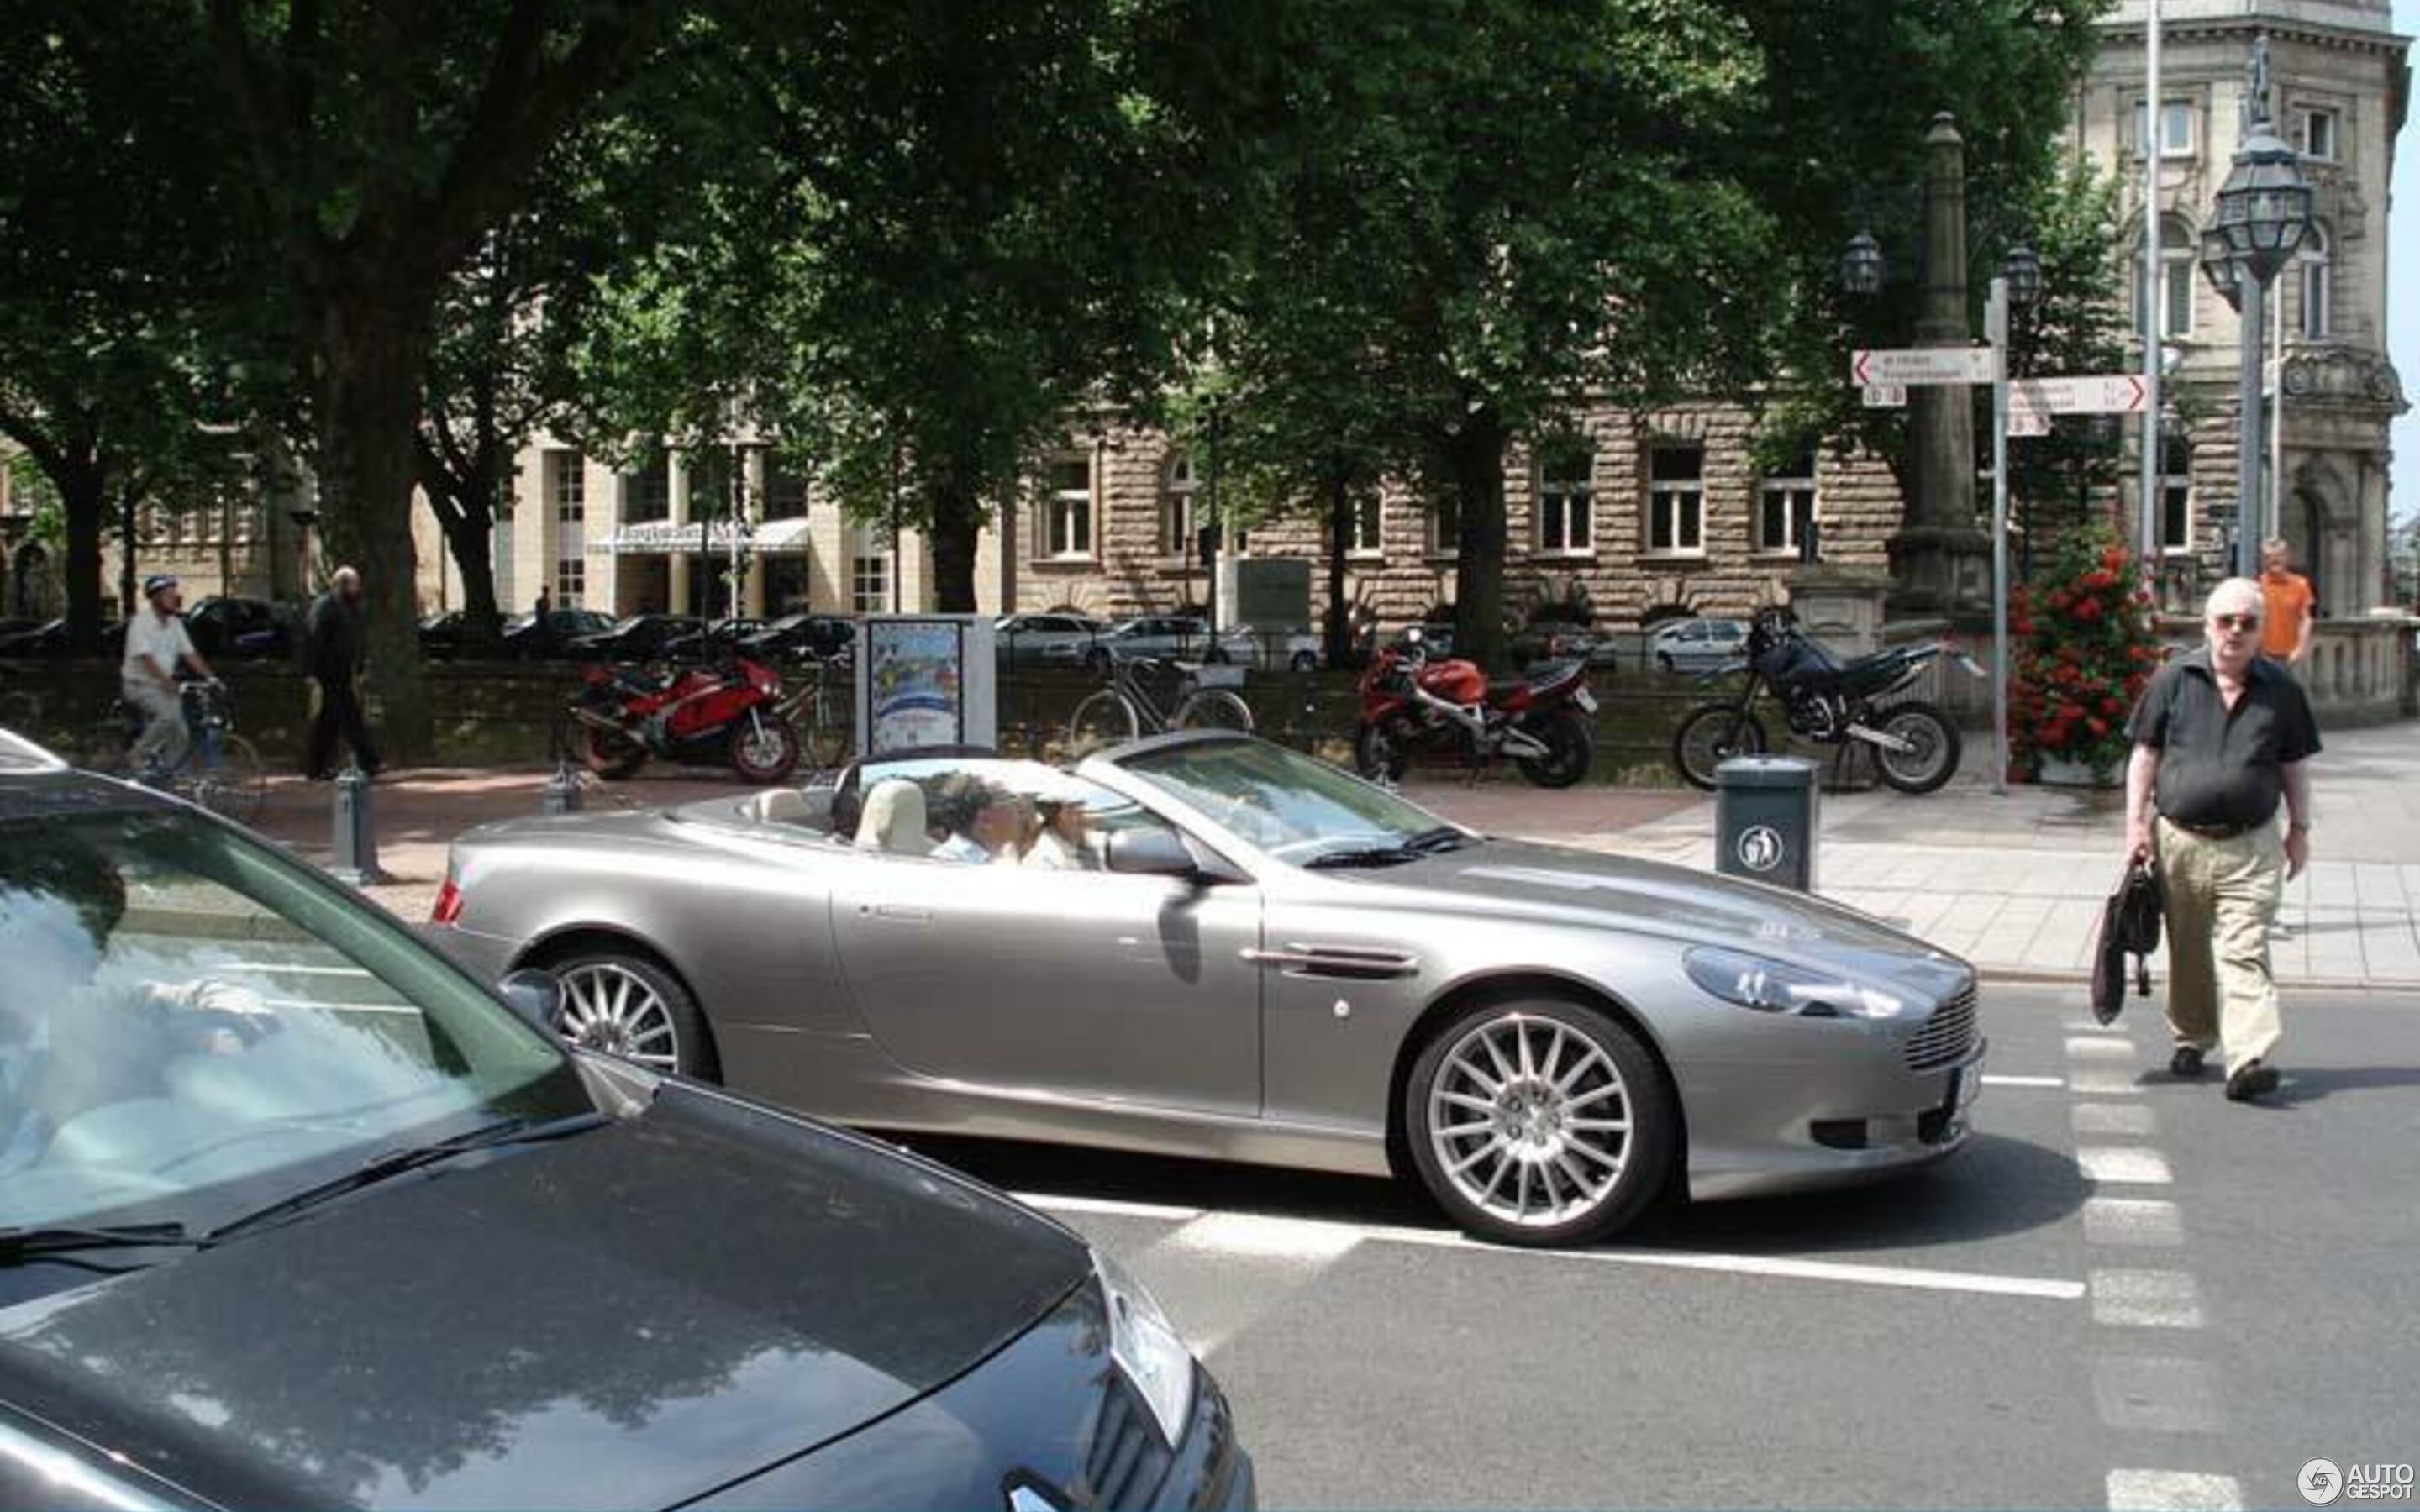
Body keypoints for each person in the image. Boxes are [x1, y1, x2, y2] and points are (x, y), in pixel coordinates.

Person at [2123, 576, 2321, 1103]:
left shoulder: (2282, 690)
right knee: (2188, 949)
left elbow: (2294, 764)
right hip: (2179, 841)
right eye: (2225, 621)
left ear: (2261, 631)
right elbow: (2145, 756)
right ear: (2207, 625)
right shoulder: (2173, 678)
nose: (2235, 631)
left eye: (2247, 623)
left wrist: (2300, 830)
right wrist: (2136, 825)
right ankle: (2193, 1036)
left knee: (2245, 948)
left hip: (2252, 845)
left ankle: (2248, 1057)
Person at [0, 837, 272, 1177]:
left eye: (82, 947)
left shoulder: (107, 1014)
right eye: (20, 940)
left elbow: (225, 997)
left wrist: (218, 1030)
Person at [119, 575, 215, 778]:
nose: (175, 598)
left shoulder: (175, 624)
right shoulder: (141, 623)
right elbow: (146, 658)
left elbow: (190, 654)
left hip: (163, 686)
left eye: (175, 594)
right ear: (155, 599)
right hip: (139, 685)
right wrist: (167, 681)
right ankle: (137, 755)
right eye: (169, 595)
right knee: (168, 717)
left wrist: (211, 677)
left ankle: (168, 775)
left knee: (181, 733)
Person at [303, 566, 381, 780]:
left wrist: (360, 667)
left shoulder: (349, 608)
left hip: (342, 672)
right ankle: (369, 762)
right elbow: (315, 641)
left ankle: (315, 767)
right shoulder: (326, 606)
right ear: (342, 585)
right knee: (350, 717)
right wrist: (313, 673)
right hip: (329, 673)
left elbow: (354, 641)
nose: (358, 588)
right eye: (354, 583)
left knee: (329, 723)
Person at [930, 774, 1024, 864]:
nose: (1022, 811)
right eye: (1014, 802)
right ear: (985, 819)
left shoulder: (998, 859)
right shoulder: (949, 864)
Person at [2258, 538, 2316, 669]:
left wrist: (2300, 649)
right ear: (2263, 561)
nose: (2274, 560)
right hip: (2263, 655)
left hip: (2291, 655)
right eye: (2269, 557)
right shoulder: (2257, 586)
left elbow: (2306, 619)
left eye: (2279, 556)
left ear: (2287, 557)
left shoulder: (2301, 585)